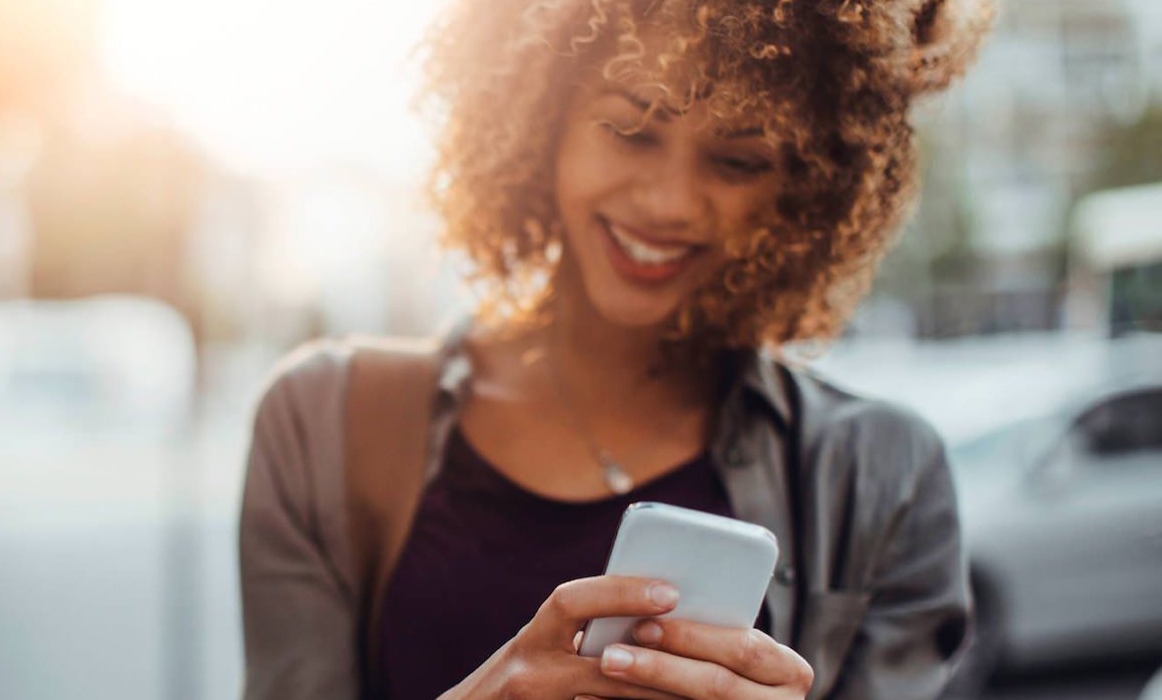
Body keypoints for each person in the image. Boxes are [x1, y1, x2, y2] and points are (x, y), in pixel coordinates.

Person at [238, 0, 995, 698]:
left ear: (806, 187)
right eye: (632, 130)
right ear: (540, 118)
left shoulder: (885, 478)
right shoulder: (325, 424)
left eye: (738, 161)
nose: (669, 202)